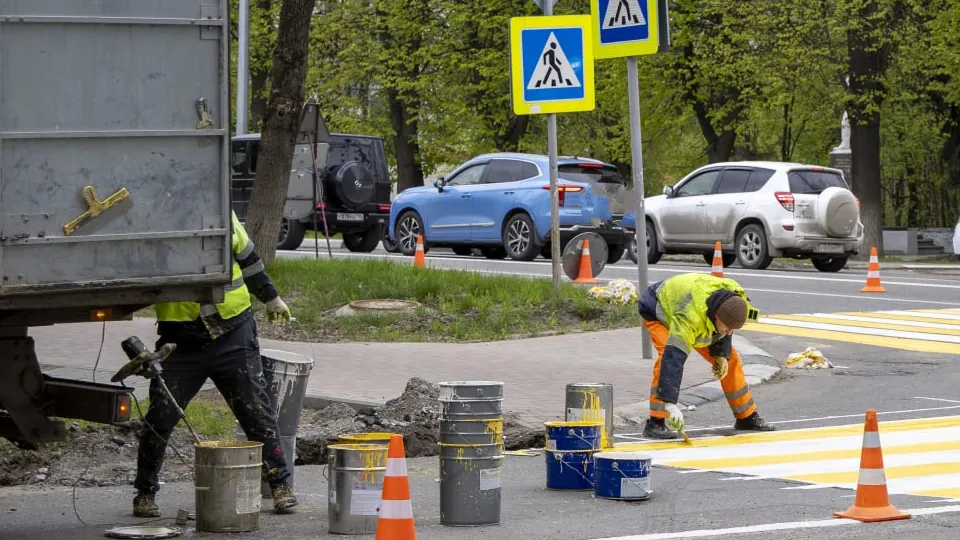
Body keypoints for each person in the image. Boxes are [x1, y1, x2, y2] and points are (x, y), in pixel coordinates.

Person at [132, 211, 297, 518]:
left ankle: (280, 485)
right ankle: (144, 492)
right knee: (160, 417)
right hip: (180, 340)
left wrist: (271, 297)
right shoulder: (155, 219)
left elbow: (249, 260)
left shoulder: (220, 210)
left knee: (256, 412)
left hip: (233, 331)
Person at [637, 273, 776, 439]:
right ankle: (655, 422)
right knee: (665, 358)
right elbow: (673, 359)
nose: (730, 332)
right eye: (727, 327)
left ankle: (746, 417)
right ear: (717, 316)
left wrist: (722, 354)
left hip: (702, 315)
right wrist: (670, 404)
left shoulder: (736, 302)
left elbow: (726, 325)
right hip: (659, 310)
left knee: (731, 359)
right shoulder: (689, 318)